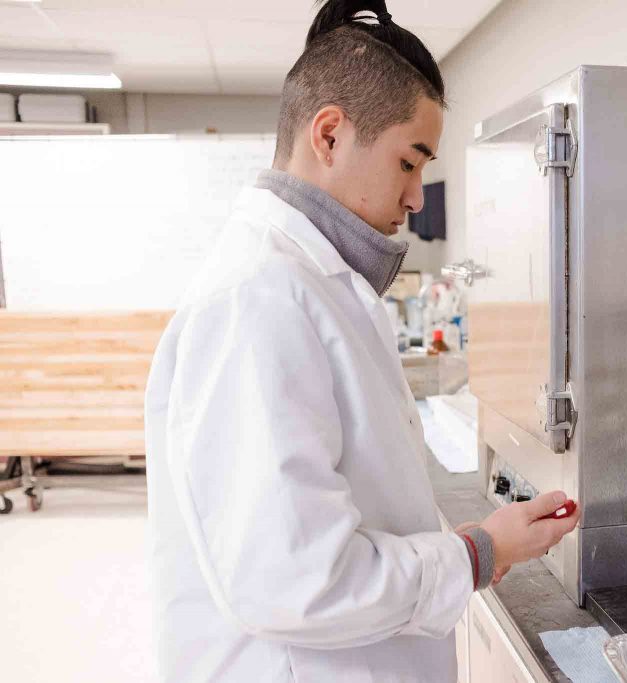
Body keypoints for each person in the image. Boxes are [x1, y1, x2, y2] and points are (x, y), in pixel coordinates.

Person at [143, 1, 581, 681]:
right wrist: (477, 551)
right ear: (329, 136)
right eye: (409, 162)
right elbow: (295, 578)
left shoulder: (313, 284)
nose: (414, 198)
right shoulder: (257, 299)